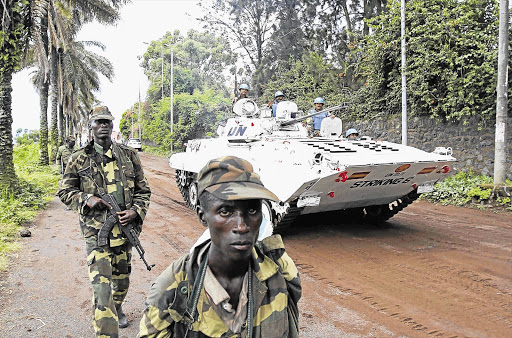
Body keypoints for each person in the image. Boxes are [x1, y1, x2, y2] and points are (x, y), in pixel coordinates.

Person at [138, 156, 301, 338]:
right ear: (202, 215)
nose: (242, 226)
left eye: (252, 211)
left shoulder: (279, 270)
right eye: (225, 211)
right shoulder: (173, 288)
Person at [57, 105, 151, 336]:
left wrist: (136, 211)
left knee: (121, 285)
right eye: (98, 122)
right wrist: (86, 198)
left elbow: (143, 191)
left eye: (107, 122)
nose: (103, 126)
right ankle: (106, 329)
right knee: (102, 291)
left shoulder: (129, 155)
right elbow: (65, 191)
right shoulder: (78, 159)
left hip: (125, 232)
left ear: (112, 125)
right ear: (91, 125)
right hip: (96, 235)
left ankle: (117, 308)